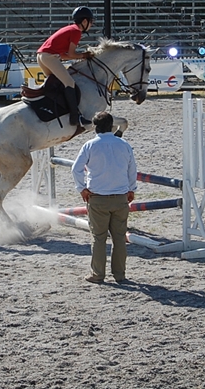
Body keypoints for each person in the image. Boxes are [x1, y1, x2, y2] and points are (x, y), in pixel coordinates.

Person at [71, 111, 138, 285]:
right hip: (120, 197)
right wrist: (131, 189)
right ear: (112, 126)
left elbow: (76, 169)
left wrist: (82, 188)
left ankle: (98, 274)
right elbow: (132, 170)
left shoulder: (90, 145)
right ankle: (120, 274)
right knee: (119, 237)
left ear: (95, 127)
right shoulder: (124, 144)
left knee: (99, 238)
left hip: (98, 198)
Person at [37, 6, 94, 127]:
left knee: (56, 83)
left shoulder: (69, 28)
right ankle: (75, 117)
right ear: (84, 21)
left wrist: (82, 56)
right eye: (91, 22)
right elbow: (72, 54)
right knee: (69, 83)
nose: (91, 25)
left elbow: (64, 56)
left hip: (41, 56)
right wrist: (84, 55)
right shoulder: (76, 31)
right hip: (49, 57)